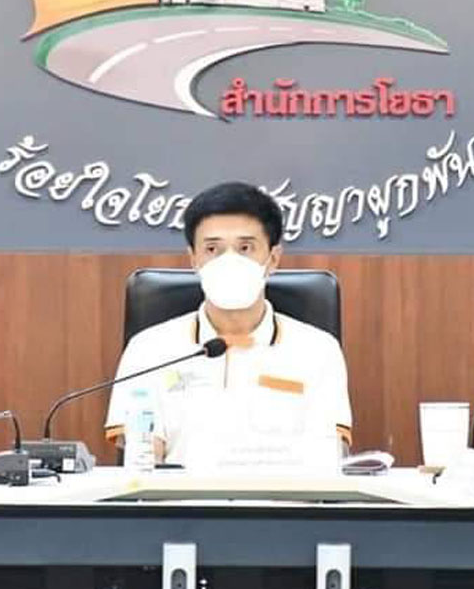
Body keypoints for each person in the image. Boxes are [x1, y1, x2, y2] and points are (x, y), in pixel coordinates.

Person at [104, 182, 353, 468]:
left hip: (282, 497)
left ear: (273, 259)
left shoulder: (319, 350)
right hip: (181, 498)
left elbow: (327, 460)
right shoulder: (148, 350)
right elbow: (143, 464)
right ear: (194, 259)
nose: (229, 261)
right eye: (213, 248)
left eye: (245, 248)